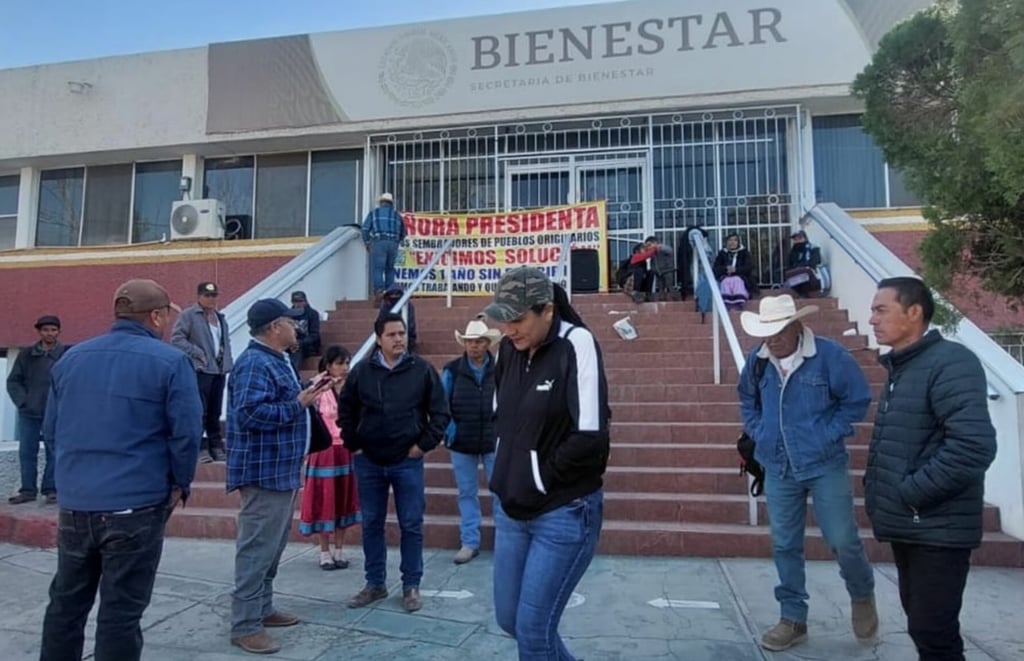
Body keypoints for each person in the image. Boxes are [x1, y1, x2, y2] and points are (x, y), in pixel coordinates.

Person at [39, 279, 202, 661]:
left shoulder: (71, 358)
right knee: (121, 613)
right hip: (136, 506)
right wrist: (180, 482)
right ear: (157, 316)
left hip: (77, 505)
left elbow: (51, 430)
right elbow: (187, 433)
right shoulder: (171, 361)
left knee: (65, 605)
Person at [482, 266, 610, 661]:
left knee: (534, 633)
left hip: (562, 511)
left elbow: (590, 438)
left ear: (548, 311)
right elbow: (501, 419)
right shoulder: (507, 349)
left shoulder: (577, 343)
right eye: (504, 320)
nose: (509, 329)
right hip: (511, 510)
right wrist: (507, 478)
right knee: (510, 621)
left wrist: (537, 479)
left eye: (518, 319)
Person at [865, 277, 997, 661]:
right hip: (915, 525)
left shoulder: (950, 362)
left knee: (934, 633)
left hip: (937, 530)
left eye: (880, 309)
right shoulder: (905, 367)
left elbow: (973, 447)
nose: (872, 319)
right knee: (925, 629)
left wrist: (910, 493)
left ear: (914, 312)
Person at [737, 294, 877, 652]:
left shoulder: (830, 356)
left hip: (824, 462)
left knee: (842, 539)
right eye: (766, 331)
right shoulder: (757, 361)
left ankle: (862, 594)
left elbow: (857, 400)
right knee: (785, 543)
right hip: (778, 465)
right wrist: (760, 431)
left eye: (779, 330)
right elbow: (747, 401)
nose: (772, 338)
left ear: (797, 325)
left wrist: (827, 434)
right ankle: (792, 618)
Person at [226, 298, 337, 655]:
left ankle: (262, 608)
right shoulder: (255, 362)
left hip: (282, 468)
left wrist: (308, 390)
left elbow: (277, 401)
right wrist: (299, 403)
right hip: (264, 471)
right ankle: (245, 624)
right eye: (290, 323)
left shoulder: (275, 360)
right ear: (274, 327)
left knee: (271, 548)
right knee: (257, 549)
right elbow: (249, 414)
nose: (296, 328)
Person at [337, 312, 449, 613]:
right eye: (392, 334)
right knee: (371, 523)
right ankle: (375, 584)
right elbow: (345, 409)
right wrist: (354, 444)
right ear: (378, 339)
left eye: (402, 333)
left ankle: (411, 585)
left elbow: (440, 413)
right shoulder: (361, 372)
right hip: (368, 462)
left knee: (411, 524)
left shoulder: (422, 370)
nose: (399, 339)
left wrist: (422, 446)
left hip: (407, 462)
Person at [441, 319, 501, 565]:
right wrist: (449, 427)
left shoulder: (501, 368)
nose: (474, 346)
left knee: (500, 491)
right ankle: (469, 542)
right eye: (469, 342)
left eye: (478, 342)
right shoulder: (452, 369)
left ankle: (506, 540)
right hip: (461, 439)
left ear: (487, 344)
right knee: (467, 492)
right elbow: (441, 404)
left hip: (493, 438)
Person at [299, 345, 362, 571]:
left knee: (342, 498)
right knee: (323, 500)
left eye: (347, 363)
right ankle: (324, 551)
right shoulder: (318, 387)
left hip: (345, 448)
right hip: (323, 449)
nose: (344, 368)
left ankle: (340, 549)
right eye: (339, 363)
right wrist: (321, 385)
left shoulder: (353, 387)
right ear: (328, 366)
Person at [6, 314, 68, 505]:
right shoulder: (26, 355)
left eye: (53, 330)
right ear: (39, 332)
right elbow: (13, 381)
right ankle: (27, 490)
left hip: (55, 413)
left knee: (54, 451)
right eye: (46, 330)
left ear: (58, 332)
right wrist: (23, 401)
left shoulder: (65, 354)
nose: (49, 333)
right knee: (27, 451)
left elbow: (71, 380)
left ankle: (51, 489)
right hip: (29, 412)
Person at [171, 281, 233, 463]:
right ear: (199, 297)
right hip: (200, 371)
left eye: (214, 296)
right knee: (201, 411)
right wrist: (198, 354)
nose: (211, 299)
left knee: (214, 411)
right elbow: (177, 339)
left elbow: (224, 342)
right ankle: (200, 447)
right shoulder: (189, 316)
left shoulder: (220, 318)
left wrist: (228, 362)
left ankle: (216, 445)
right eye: (207, 295)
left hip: (218, 370)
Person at [362, 192, 408, 302]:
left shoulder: (374, 213)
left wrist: (367, 242)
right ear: (391, 203)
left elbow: (364, 229)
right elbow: (404, 233)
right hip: (393, 244)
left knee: (378, 269)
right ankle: (390, 294)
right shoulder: (397, 215)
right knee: (390, 269)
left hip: (379, 242)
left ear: (381, 202)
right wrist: (397, 241)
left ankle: (379, 293)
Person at [713, 232, 756, 308]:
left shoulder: (744, 253)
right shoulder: (722, 253)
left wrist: (736, 270)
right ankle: (726, 303)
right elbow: (716, 268)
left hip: (741, 277)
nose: (732, 242)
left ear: (738, 242)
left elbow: (749, 267)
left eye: (735, 240)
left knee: (736, 280)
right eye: (730, 240)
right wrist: (725, 268)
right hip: (725, 277)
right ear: (726, 242)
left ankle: (739, 301)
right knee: (726, 281)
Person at [288, 290, 321, 373]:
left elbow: (314, 335)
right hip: (291, 344)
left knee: (296, 350)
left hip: (308, 345)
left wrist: (300, 343)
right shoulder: (288, 315)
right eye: (295, 301)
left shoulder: (312, 314)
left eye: (300, 301)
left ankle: (293, 374)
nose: (298, 304)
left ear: (305, 301)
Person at [783, 230, 822, 299]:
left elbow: (814, 262)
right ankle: (802, 294)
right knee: (790, 274)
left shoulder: (812, 248)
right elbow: (789, 266)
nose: (797, 241)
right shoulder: (793, 252)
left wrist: (800, 267)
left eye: (799, 238)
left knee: (804, 272)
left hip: (811, 278)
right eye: (795, 239)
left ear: (805, 238)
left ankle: (804, 295)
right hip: (796, 278)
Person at [378, 286, 417, 352]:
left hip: (406, 335)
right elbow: (380, 323)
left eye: (397, 294)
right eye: (392, 295)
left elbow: (410, 325)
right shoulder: (385, 306)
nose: (394, 296)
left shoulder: (408, 306)